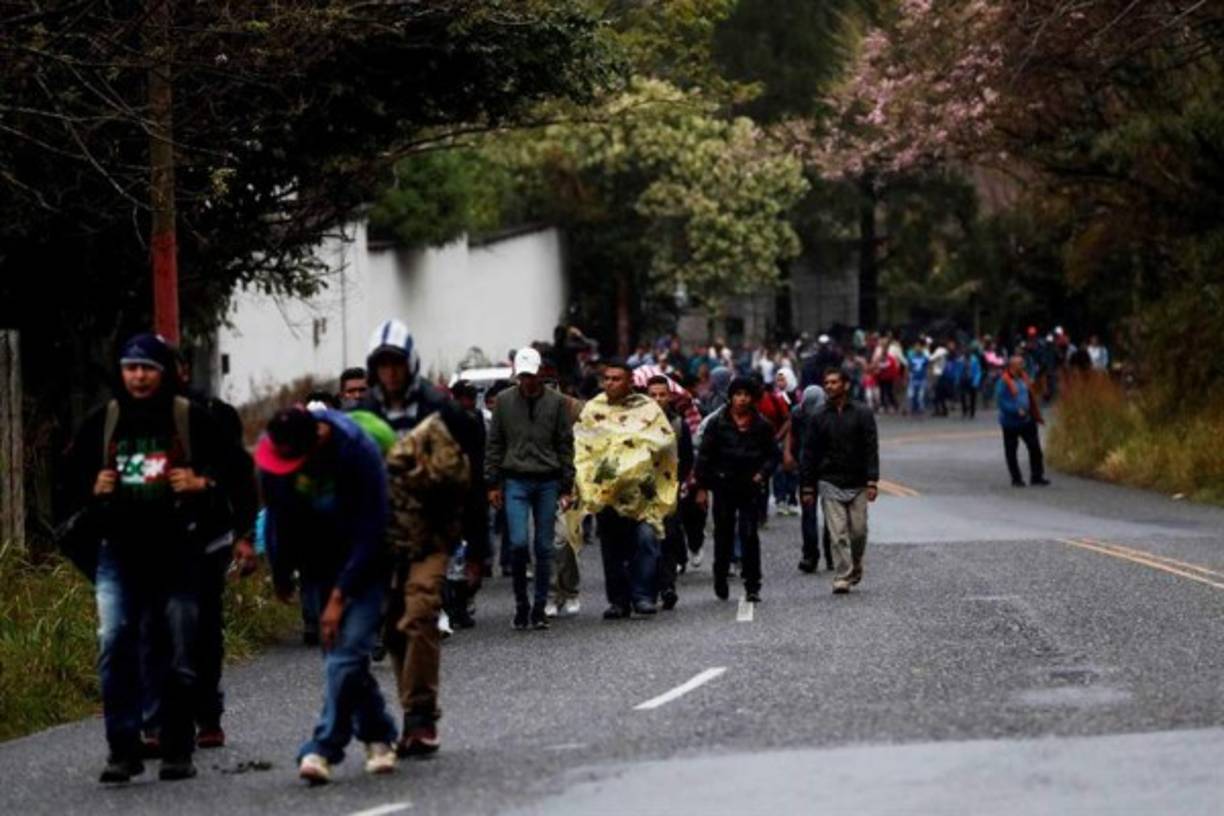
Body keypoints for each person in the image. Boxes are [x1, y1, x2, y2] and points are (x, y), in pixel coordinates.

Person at [67, 333, 239, 783]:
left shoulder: (190, 420)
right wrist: (94, 488)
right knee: (114, 643)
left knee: (178, 643)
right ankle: (122, 750)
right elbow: (65, 486)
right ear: (121, 373)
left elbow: (237, 472)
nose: (139, 377)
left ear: (164, 373)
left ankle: (176, 746)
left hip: (178, 551)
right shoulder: (103, 422)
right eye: (131, 368)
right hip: (118, 554)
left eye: (148, 368)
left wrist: (204, 484)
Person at [358, 319, 483, 757]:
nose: (390, 373)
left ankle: (421, 717)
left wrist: (477, 550)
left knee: (421, 611)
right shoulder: (365, 413)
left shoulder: (440, 409)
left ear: (409, 364)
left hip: (433, 534)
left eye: (397, 364)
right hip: (384, 536)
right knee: (393, 626)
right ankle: (410, 709)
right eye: (382, 365)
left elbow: (470, 480)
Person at [258, 407, 398, 785]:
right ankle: (380, 735)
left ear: (317, 439)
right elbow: (278, 516)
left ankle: (323, 748)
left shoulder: (357, 451)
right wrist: (281, 571)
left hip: (365, 562)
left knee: (348, 652)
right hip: (317, 565)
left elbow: (373, 530)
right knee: (342, 658)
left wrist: (340, 598)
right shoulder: (275, 450)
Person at [572, 359, 678, 619]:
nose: (610, 383)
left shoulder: (648, 408)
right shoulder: (593, 409)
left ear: (630, 382)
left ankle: (642, 595)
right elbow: (584, 446)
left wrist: (635, 448)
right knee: (612, 546)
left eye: (616, 378)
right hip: (608, 489)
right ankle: (618, 600)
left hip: (644, 488)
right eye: (606, 378)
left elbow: (665, 440)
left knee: (646, 540)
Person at [485, 347, 575, 630]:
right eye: (522, 376)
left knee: (544, 546)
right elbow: (495, 444)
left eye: (532, 375)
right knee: (519, 543)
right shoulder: (503, 401)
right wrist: (492, 483)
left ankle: (538, 607)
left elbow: (565, 443)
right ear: (516, 375)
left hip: (548, 480)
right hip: (515, 480)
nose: (527, 381)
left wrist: (566, 485)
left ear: (540, 374)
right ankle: (521, 604)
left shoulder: (557, 402)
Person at [694, 376, 779, 603]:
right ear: (730, 397)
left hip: (751, 487)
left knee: (750, 534)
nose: (742, 399)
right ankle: (720, 576)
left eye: (746, 395)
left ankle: (753, 584)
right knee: (723, 534)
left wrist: (762, 474)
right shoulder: (717, 423)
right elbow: (704, 457)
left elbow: (773, 455)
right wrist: (702, 487)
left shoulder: (761, 425)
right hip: (723, 486)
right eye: (738, 394)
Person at [800, 368, 880, 594]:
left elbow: (870, 447)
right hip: (830, 481)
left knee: (858, 532)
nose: (829, 386)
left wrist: (872, 480)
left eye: (834, 382)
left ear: (845, 385)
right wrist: (807, 486)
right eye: (827, 382)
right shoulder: (818, 417)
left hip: (858, 482)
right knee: (838, 534)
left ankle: (856, 565)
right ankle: (842, 575)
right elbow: (809, 453)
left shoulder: (863, 413)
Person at [645, 374, 694, 610]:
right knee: (646, 539)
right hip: (641, 491)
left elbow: (687, 457)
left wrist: (680, 482)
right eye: (653, 395)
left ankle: (667, 586)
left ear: (669, 396)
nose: (657, 399)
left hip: (669, 490)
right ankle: (648, 587)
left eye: (662, 394)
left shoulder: (678, 424)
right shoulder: (636, 423)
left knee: (668, 537)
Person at [790, 385, 832, 573]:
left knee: (823, 512)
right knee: (816, 512)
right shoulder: (802, 414)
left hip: (819, 468)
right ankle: (815, 554)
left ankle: (818, 555)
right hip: (813, 467)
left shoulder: (802, 413)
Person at [996, 355, 1050, 488]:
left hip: (1027, 420)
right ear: (1012, 366)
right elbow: (1001, 401)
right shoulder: (1003, 381)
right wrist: (1014, 410)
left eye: (1023, 363)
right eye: (1020, 363)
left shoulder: (1024, 377)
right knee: (1011, 451)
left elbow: (1032, 391)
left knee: (1035, 448)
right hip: (1010, 422)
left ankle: (1036, 476)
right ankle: (1016, 478)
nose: (1023, 366)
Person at [906, 339, 931, 415]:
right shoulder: (911, 358)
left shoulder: (925, 358)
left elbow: (928, 368)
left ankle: (921, 409)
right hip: (913, 378)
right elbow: (908, 368)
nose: (917, 348)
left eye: (919, 346)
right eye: (916, 346)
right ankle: (912, 408)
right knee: (911, 395)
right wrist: (907, 376)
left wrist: (928, 377)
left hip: (922, 379)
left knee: (920, 396)